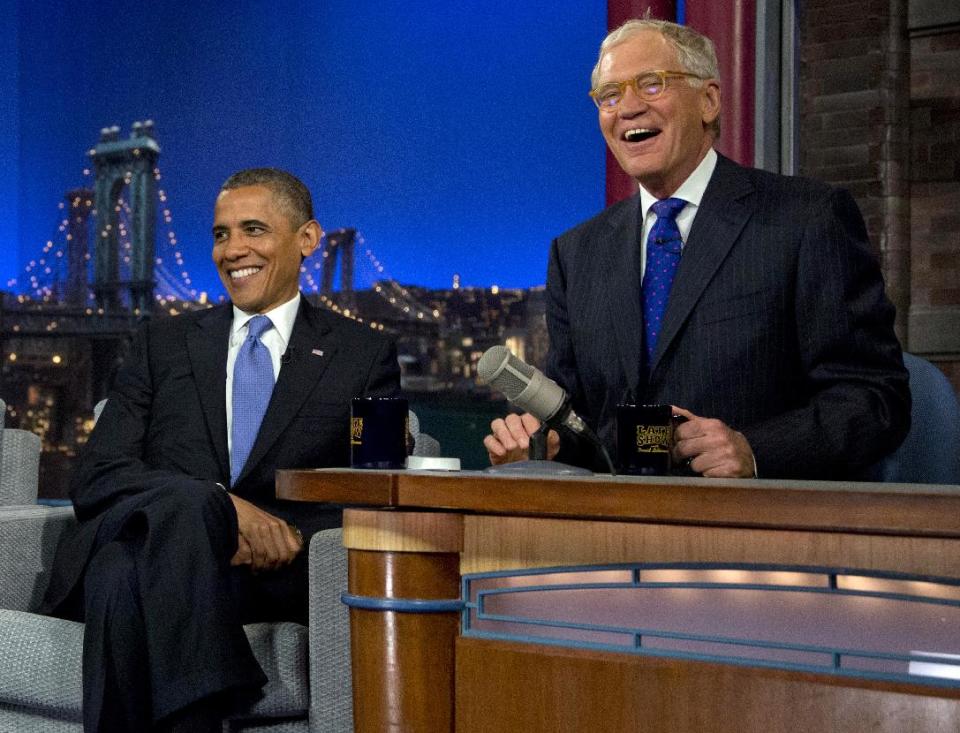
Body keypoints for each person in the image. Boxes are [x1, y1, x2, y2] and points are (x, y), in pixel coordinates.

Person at [41, 168, 401, 732]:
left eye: (252, 230)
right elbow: (98, 474)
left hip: (267, 575)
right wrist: (220, 507)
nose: (233, 250)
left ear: (307, 239)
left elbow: (381, 489)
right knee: (173, 523)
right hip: (170, 555)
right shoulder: (160, 344)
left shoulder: (365, 354)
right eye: (220, 234)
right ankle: (209, 703)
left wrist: (294, 535)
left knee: (118, 574)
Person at [484, 19, 910, 479]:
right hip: (615, 528)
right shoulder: (576, 254)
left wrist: (755, 451)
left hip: (757, 527)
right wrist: (541, 448)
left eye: (651, 84)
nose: (626, 108)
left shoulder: (806, 219)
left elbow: (874, 399)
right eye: (609, 96)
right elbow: (579, 422)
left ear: (709, 100)